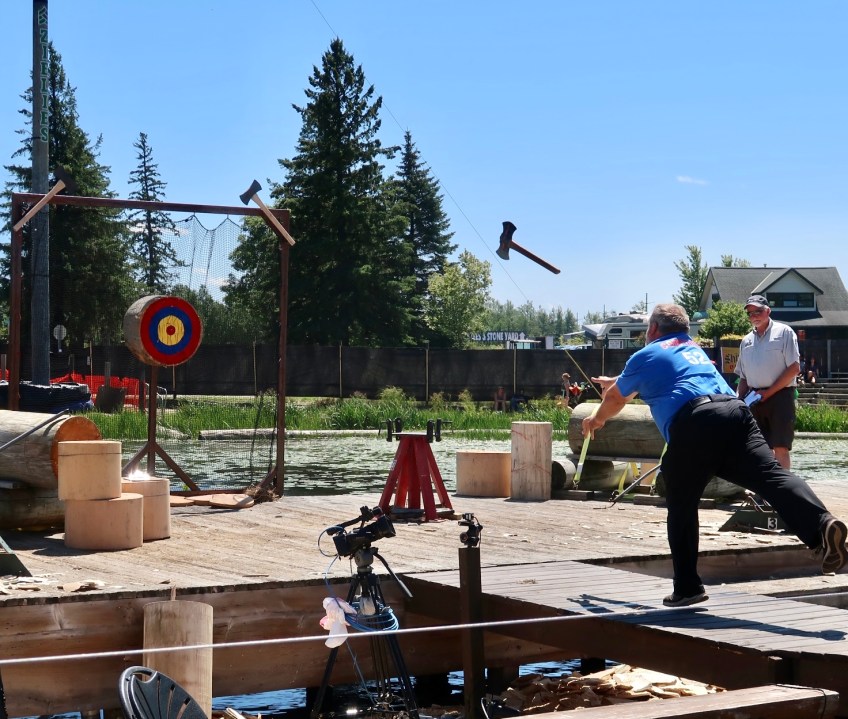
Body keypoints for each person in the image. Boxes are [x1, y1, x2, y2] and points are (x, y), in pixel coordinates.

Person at [581, 303, 847, 608]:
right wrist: (615, 382)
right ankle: (822, 526)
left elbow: (617, 397)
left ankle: (687, 587)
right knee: (771, 476)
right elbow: (646, 378)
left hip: (695, 422)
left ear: (653, 330)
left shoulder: (647, 353)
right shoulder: (690, 347)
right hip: (735, 412)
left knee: (681, 502)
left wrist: (597, 419)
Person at [734, 294, 801, 469]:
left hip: (780, 397)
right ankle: (762, 493)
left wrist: (768, 393)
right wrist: (738, 401)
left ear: (768, 310)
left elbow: (794, 368)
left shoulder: (784, 332)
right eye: (750, 313)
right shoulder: (746, 340)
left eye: (758, 311)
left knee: (780, 447)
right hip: (754, 399)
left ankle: (782, 493)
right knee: (759, 448)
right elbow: (743, 377)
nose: (754, 316)